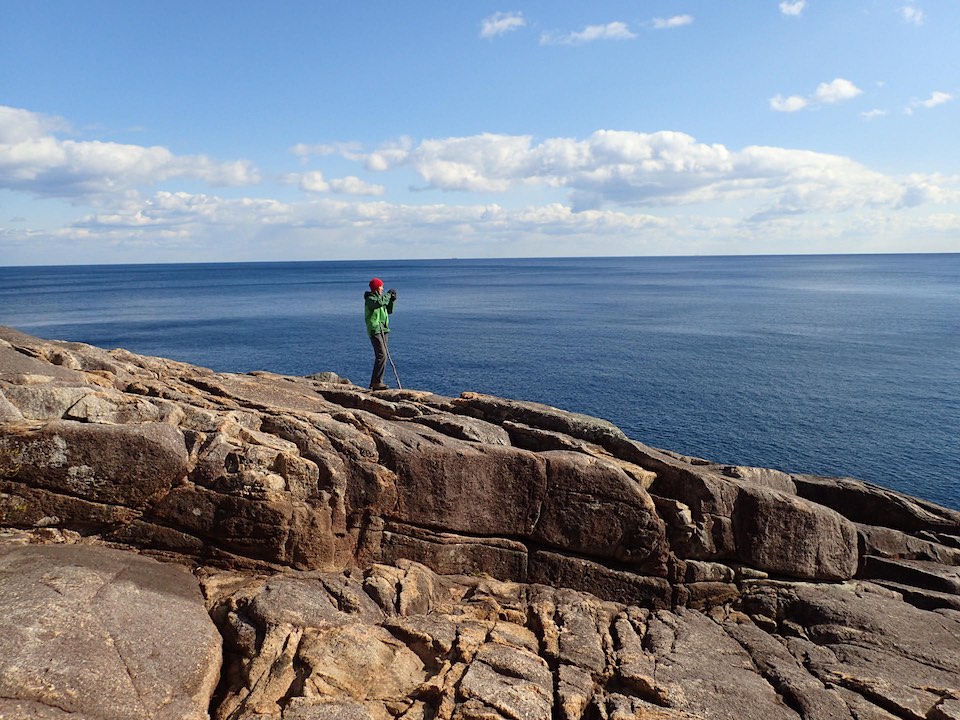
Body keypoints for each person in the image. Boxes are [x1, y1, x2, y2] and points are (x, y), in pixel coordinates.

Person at [364, 277, 397, 390]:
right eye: (381, 287)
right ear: (377, 288)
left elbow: (389, 310)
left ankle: (375, 382)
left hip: (383, 329)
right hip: (375, 329)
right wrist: (388, 295)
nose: (383, 288)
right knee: (381, 355)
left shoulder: (380, 299)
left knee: (382, 356)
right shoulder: (370, 299)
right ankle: (376, 382)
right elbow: (378, 303)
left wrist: (391, 300)